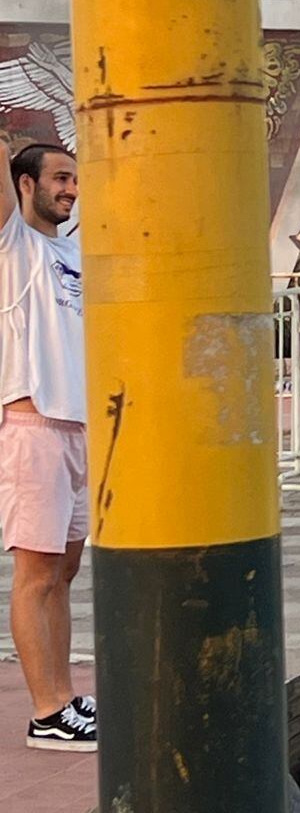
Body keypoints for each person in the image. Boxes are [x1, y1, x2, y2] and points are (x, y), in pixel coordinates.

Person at [0, 142, 94, 751]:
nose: (71, 188)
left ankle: (62, 696)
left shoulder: (74, 248)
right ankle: (44, 713)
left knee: (64, 569)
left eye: (75, 178)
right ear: (24, 186)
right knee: (35, 574)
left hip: (79, 430)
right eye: (59, 177)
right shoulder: (13, 245)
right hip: (32, 428)